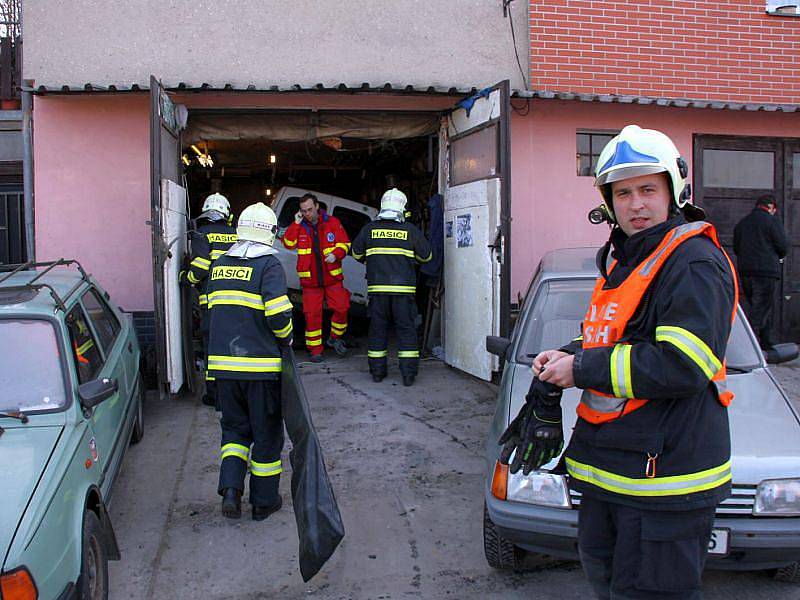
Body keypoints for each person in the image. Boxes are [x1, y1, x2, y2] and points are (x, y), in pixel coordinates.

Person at [499, 125, 737, 599]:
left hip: (666, 486)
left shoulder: (692, 262)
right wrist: (568, 354)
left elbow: (680, 366)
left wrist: (581, 369)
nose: (636, 204)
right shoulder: (625, 259)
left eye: (648, 189)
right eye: (623, 193)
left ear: (674, 190)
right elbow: (614, 336)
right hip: (613, 478)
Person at [205, 202, 293, 520]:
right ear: (269, 234)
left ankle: (231, 490)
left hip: (224, 370)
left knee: (234, 432)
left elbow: (211, 313)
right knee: (266, 436)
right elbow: (279, 314)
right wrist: (287, 338)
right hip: (261, 370)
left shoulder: (219, 265)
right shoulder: (268, 266)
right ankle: (264, 502)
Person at [351, 188, 432, 386]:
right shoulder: (410, 230)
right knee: (406, 331)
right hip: (404, 293)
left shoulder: (369, 229)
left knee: (378, 330)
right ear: (401, 208)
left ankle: (377, 373)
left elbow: (355, 253)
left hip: (378, 292)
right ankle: (408, 375)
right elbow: (426, 256)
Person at [182, 193, 238, 407]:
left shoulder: (201, 234)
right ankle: (235, 391)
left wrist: (185, 278)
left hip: (212, 303)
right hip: (237, 301)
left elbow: (200, 268)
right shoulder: (236, 234)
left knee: (213, 348)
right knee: (233, 346)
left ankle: (214, 395)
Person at [281, 193, 351, 363]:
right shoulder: (299, 225)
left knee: (342, 308)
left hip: (332, 278)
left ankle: (335, 337)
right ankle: (315, 351)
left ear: (317, 206)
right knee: (312, 316)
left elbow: (345, 244)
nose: (307, 214)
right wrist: (296, 223)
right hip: (310, 282)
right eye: (303, 211)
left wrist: (336, 254)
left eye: (310, 210)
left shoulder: (332, 223)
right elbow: (288, 243)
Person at [733, 194, 788, 350]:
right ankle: (748, 346)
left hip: (746, 271)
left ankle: (766, 342)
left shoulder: (742, 223)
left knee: (759, 307)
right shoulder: (771, 222)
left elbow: (737, 248)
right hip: (766, 271)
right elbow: (782, 245)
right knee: (760, 310)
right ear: (771, 207)